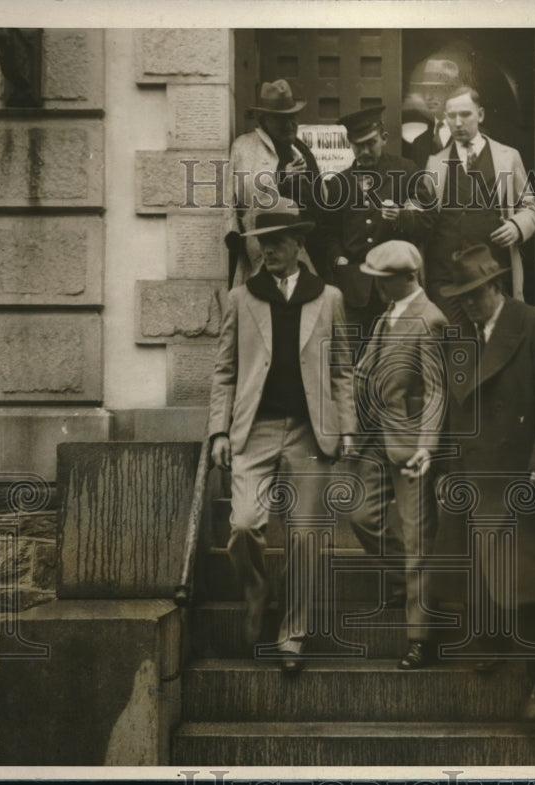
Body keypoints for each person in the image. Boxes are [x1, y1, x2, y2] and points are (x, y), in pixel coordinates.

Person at [208, 197, 355, 674]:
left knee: (306, 537)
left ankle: (292, 635)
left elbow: (341, 370)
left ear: (298, 244)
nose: (268, 251)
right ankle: (255, 588)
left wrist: (346, 427)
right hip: (256, 429)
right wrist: (218, 432)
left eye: (277, 242)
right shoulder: (241, 298)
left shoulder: (327, 298)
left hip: (311, 434)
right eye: (262, 243)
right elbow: (225, 371)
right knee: (245, 523)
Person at [433, 244, 535, 720]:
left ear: (496, 286)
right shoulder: (462, 338)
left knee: (532, 589)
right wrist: (449, 470)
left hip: (524, 479)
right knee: (481, 571)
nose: (470, 304)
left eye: (476, 294)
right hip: (477, 478)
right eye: (463, 298)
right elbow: (456, 414)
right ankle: (490, 640)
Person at [339, 240, 449, 670]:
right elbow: (365, 372)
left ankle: (421, 637)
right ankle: (409, 579)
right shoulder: (387, 314)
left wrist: (427, 446)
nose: (379, 290)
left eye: (385, 282)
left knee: (418, 536)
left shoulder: (430, 319)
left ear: (408, 278)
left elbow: (437, 390)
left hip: (409, 444)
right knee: (362, 517)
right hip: (372, 439)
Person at [399, 86, 535, 323]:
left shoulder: (508, 157)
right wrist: (406, 211)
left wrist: (517, 226)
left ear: (480, 115)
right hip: (445, 276)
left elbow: (530, 206)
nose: (458, 122)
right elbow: (421, 207)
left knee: (493, 342)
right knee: (455, 346)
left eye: (465, 114)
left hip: (492, 273)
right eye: (451, 116)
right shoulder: (435, 163)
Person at [321, 106, 420, 342]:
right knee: (355, 360)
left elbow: (429, 219)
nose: (365, 151)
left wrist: (402, 216)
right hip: (354, 291)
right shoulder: (338, 183)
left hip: (396, 287)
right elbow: (328, 233)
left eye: (371, 143)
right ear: (349, 144)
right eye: (358, 145)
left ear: (384, 139)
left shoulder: (407, 171)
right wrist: (339, 260)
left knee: (397, 360)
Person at [225, 79, 328, 287]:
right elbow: (244, 196)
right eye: (281, 119)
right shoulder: (245, 147)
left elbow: (321, 198)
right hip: (267, 252)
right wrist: (281, 177)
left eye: (293, 118)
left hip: (305, 251)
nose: (290, 125)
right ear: (263, 120)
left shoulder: (300, 149)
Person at [402, 58, 462, 169]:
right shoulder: (419, 143)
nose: (428, 97)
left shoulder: (475, 136)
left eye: (436, 89)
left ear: (452, 91)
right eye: (426, 89)